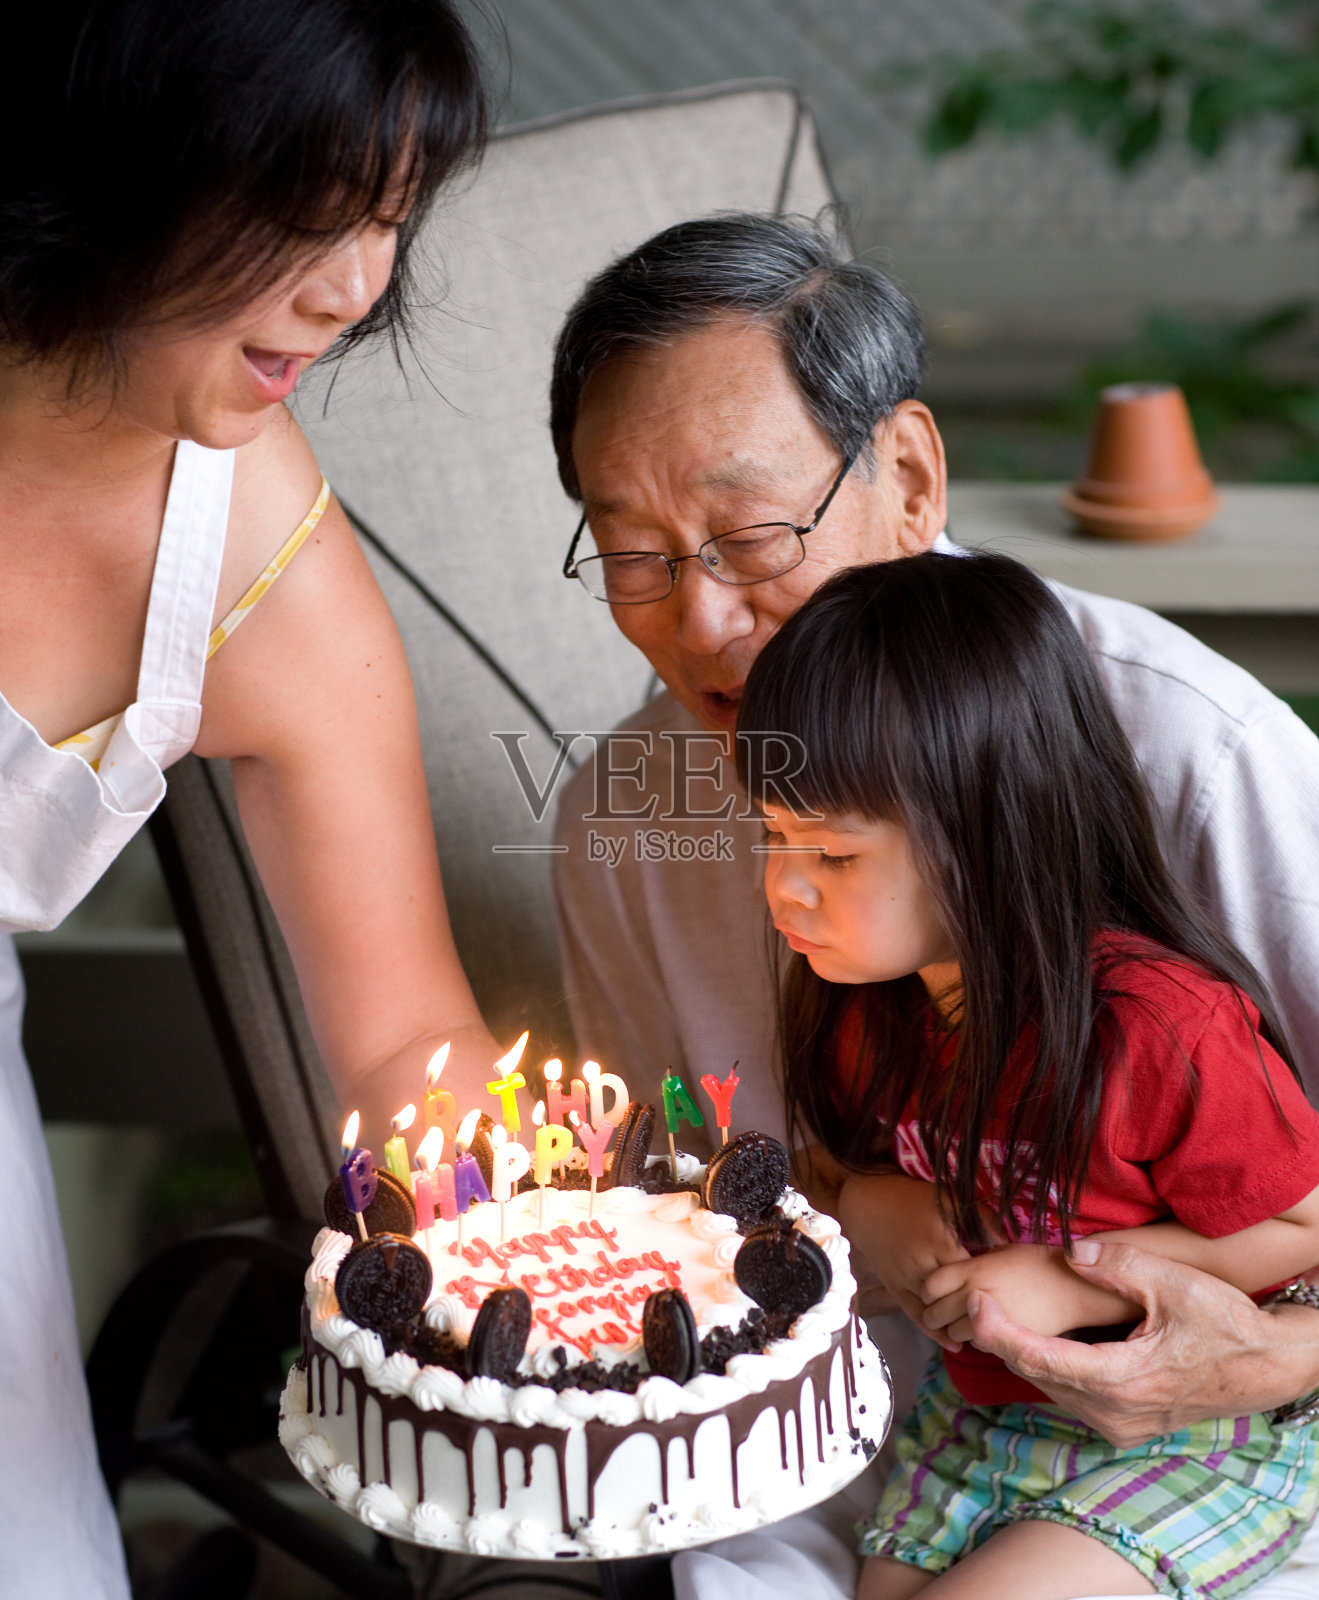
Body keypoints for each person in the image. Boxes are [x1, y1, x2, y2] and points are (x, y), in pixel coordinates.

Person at [547, 213, 1319, 1599]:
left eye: (745, 535)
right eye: (634, 555)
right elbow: (684, 1205)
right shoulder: (623, 817)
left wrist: (1258, 1350)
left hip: (1220, 1452)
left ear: (905, 477)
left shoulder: (1183, 746)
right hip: (859, 1459)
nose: (701, 621)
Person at [1, 3, 500, 1594]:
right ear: (119, 163)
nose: (354, 289)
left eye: (386, 221)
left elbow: (401, 1040)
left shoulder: (260, 569)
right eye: (302, 212)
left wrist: (547, 1255)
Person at [735, 549, 1319, 1599]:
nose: (786, 888)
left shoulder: (1155, 1030)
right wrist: (872, 1199)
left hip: (1184, 1428)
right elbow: (828, 1165)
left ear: (980, 833)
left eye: (830, 855)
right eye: (773, 837)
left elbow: (1303, 1225)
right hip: (976, 1414)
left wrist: (1063, 1275)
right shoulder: (869, 1011)